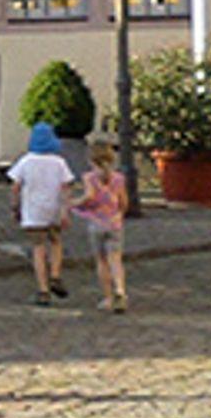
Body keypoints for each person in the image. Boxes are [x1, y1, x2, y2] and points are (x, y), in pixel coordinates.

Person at [8, 121, 76, 306]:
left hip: (33, 212)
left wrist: (15, 207)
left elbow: (15, 186)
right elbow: (66, 186)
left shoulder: (26, 161)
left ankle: (43, 289)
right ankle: (55, 274)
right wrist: (65, 210)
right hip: (53, 209)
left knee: (38, 247)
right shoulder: (59, 163)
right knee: (56, 242)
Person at [74, 140, 130, 313]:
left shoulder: (89, 178)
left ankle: (108, 297)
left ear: (91, 160)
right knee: (116, 259)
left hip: (96, 224)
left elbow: (89, 196)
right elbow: (124, 202)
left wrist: (74, 203)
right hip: (114, 223)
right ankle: (120, 290)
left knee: (101, 261)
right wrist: (120, 214)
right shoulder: (118, 179)